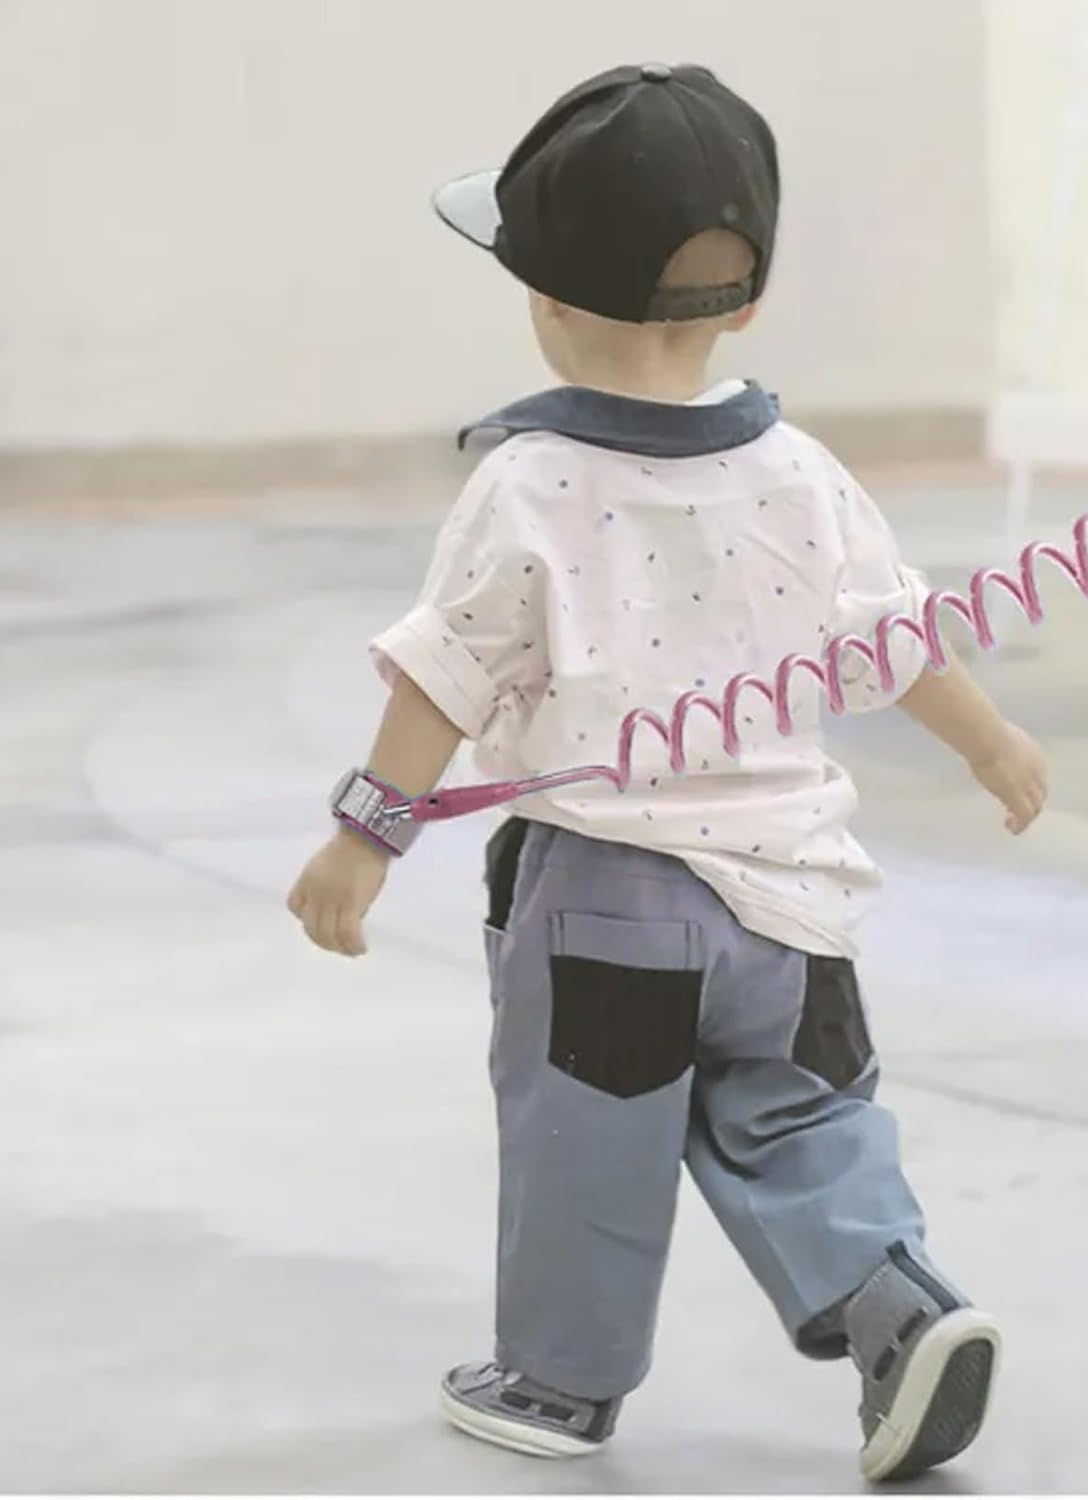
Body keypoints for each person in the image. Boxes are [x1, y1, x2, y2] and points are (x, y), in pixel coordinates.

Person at [286, 61, 1047, 1484]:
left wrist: (365, 837)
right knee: (803, 1116)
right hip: (793, 904)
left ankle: (557, 1385)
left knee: (586, 1141)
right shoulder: (802, 472)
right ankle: (902, 1311)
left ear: (545, 300)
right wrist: (992, 742)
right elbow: (896, 638)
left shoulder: (525, 482)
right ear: (748, 301)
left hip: (606, 906)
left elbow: (444, 676)